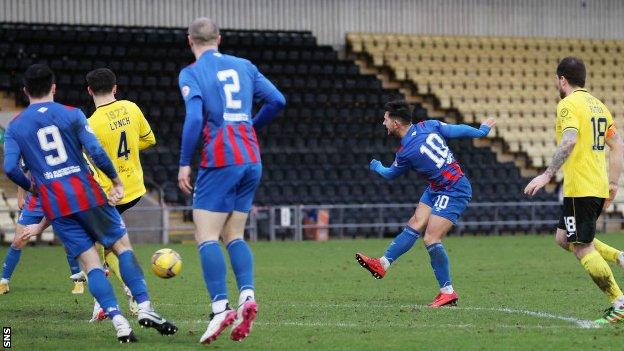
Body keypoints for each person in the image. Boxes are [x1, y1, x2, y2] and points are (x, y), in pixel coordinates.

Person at [3, 64, 177, 342]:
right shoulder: (73, 114)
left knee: (92, 264)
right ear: (53, 87)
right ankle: (144, 306)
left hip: (57, 205)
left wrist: (34, 189)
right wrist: (116, 181)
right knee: (121, 246)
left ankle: (118, 321)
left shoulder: (15, 126)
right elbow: (94, 150)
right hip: (88, 193)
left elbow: (11, 167)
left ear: (24, 91)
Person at [177, 17, 285, 344]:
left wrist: (184, 162)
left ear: (190, 41)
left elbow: (195, 117)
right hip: (251, 157)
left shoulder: (191, 73)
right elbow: (277, 101)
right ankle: (247, 298)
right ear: (219, 39)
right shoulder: (245, 66)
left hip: (221, 158)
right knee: (234, 234)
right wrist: (251, 125)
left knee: (206, 236)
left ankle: (221, 307)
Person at [355, 100, 495, 307]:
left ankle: (447, 291)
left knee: (430, 238)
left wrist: (376, 166)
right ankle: (383, 264)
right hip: (437, 187)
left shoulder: (405, 153)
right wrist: (481, 131)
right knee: (415, 222)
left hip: (454, 189)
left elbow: (390, 174)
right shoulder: (428, 125)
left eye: (385, 119)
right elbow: (458, 130)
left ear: (395, 123)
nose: (383, 123)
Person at [525, 57, 624, 324]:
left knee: (582, 247)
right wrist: (613, 184)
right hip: (595, 185)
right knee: (563, 238)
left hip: (582, 187)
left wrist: (547, 175)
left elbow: (569, 141)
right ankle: (619, 257)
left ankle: (619, 302)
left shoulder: (568, 104)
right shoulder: (599, 106)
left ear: (562, 80)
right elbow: (618, 146)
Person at [85, 67, 157, 321]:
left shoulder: (90, 124)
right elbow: (149, 140)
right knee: (107, 245)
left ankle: (114, 299)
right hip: (134, 189)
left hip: (109, 193)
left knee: (93, 249)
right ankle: (124, 296)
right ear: (115, 88)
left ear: (90, 91)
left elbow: (90, 164)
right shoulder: (132, 107)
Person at [0, 183, 85, 295]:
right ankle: (4, 282)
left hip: (57, 202)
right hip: (34, 204)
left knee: (68, 244)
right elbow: (22, 174)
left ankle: (78, 282)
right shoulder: (29, 164)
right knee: (18, 241)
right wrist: (20, 197)